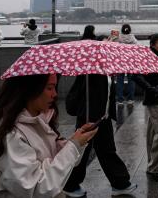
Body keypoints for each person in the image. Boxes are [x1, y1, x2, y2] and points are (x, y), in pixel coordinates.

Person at [0, 74, 98, 198]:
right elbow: (37, 187)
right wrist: (72, 147)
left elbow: (46, 157)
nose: (55, 94)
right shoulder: (12, 135)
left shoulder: (39, 120)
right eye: (49, 88)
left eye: (55, 87)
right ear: (30, 89)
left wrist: (75, 142)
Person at [63, 24, 137, 197]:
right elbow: (86, 94)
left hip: (101, 117)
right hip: (89, 117)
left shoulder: (104, 70)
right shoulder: (90, 72)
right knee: (82, 152)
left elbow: (107, 94)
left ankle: (120, 184)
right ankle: (71, 184)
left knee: (106, 151)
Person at [133, 34, 158, 182]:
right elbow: (135, 75)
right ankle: (154, 168)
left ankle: (155, 164)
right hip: (154, 100)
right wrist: (151, 89)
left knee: (152, 133)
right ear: (153, 44)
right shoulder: (148, 57)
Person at [116, 23, 138, 105]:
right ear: (130, 30)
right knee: (131, 81)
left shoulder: (118, 38)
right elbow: (136, 50)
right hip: (130, 62)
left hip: (120, 61)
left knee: (119, 81)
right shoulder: (133, 38)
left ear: (122, 30)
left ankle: (120, 99)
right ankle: (130, 99)